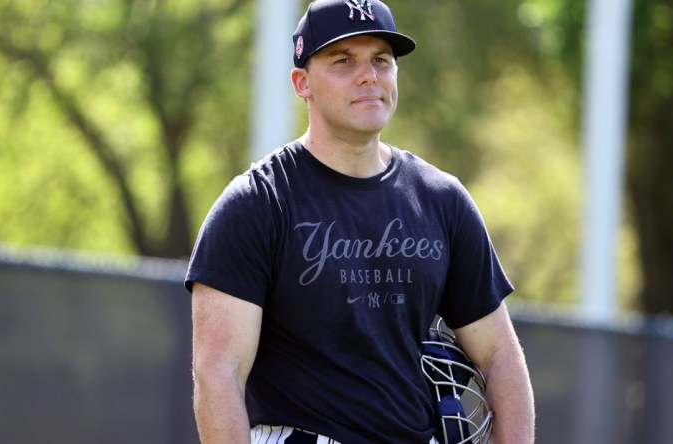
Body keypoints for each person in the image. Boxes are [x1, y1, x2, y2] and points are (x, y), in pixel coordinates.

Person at [185, 0, 535, 442]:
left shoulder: (441, 199)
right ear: (302, 82)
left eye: (381, 61)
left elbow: (500, 353)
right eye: (343, 60)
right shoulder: (257, 203)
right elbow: (218, 374)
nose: (368, 75)